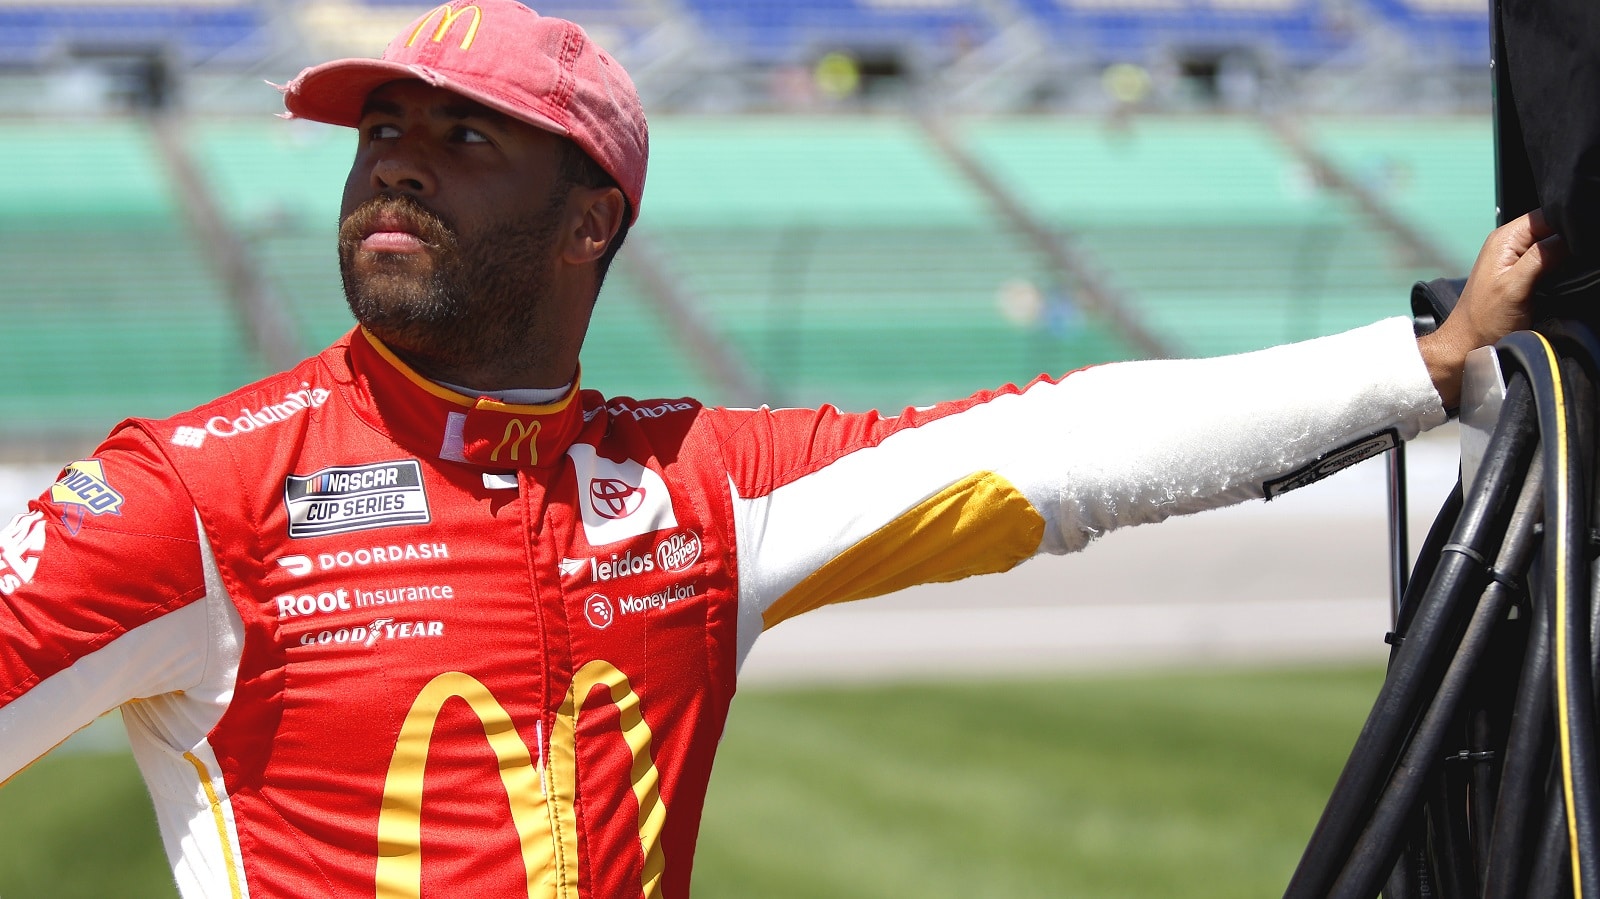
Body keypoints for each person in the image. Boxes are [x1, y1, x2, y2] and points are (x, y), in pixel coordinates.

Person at [0, 1, 1563, 896]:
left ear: (592, 218)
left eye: (461, 137)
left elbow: (1059, 452)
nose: (393, 169)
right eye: (378, 133)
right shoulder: (190, 490)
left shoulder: (700, 486)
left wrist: (1416, 360)